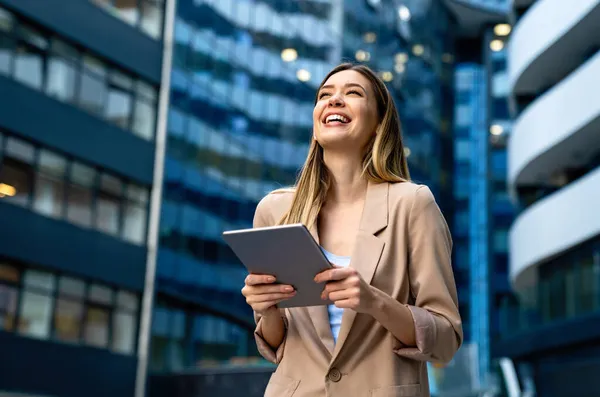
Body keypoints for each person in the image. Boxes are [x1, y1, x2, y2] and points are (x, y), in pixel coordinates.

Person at [241, 63, 463, 397]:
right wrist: (267, 308)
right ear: (315, 126)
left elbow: (445, 341)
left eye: (353, 93)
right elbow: (277, 343)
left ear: (378, 125)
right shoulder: (276, 211)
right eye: (325, 96)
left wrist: (374, 302)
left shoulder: (413, 205)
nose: (335, 101)